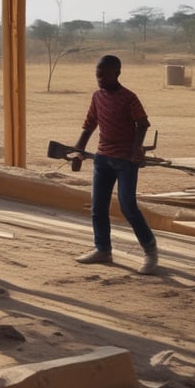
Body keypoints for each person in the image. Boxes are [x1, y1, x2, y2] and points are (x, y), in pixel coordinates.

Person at [71, 54, 158, 275]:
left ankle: (150, 251)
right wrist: (78, 152)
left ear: (117, 73)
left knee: (127, 206)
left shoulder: (129, 98)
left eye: (103, 74)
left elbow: (143, 123)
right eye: (96, 74)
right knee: (98, 207)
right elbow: (89, 124)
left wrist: (135, 150)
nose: (99, 77)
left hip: (126, 162)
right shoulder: (97, 97)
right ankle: (103, 249)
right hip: (102, 159)